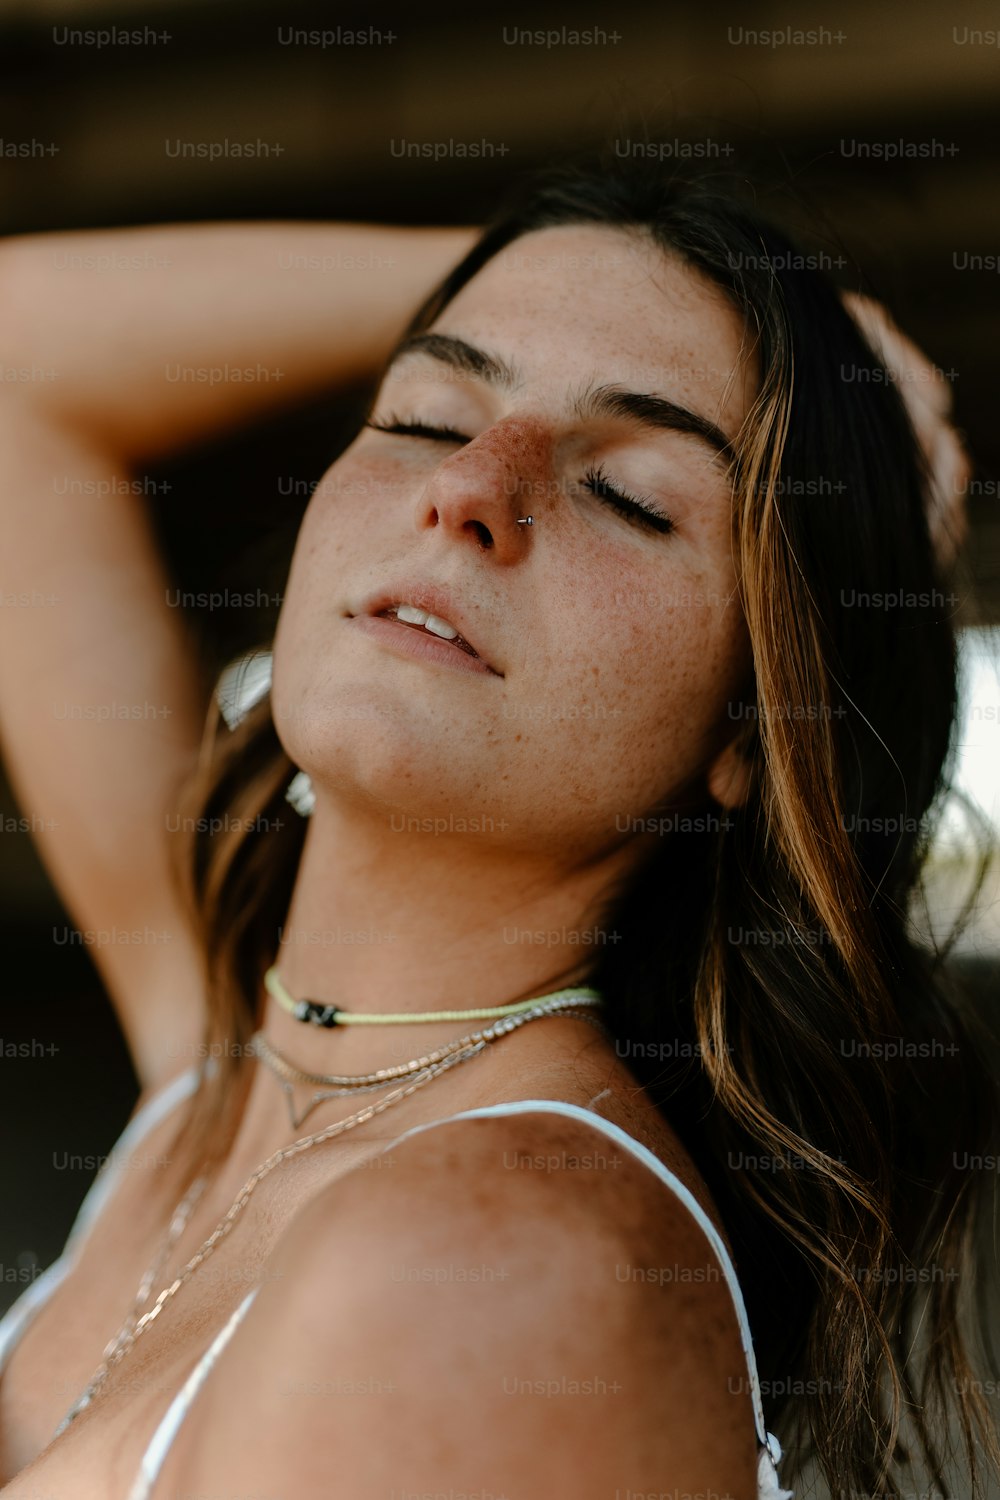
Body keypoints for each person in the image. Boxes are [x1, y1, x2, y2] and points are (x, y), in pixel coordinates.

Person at [0, 155, 996, 1500]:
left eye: (631, 495)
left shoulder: (492, 1257)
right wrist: (584, 267)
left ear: (753, 731)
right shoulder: (231, 1064)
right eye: (423, 411)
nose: (470, 483)